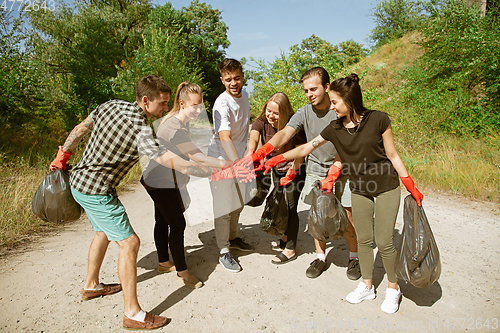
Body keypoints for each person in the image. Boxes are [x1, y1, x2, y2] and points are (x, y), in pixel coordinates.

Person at [48, 75, 205, 330]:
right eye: (163, 103)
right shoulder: (141, 128)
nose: (166, 107)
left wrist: (63, 156)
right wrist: (203, 169)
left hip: (78, 182)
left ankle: (91, 285)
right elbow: (165, 158)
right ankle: (133, 313)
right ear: (146, 100)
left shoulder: (110, 105)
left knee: (102, 233)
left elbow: (80, 129)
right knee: (130, 243)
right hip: (96, 191)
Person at [264, 73, 424, 314]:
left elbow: (392, 154)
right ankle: (367, 285)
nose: (333, 106)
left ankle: (393, 288)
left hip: (385, 186)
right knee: (366, 240)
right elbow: (308, 146)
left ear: (348, 101)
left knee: (384, 242)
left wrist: (408, 180)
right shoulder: (335, 127)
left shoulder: (379, 119)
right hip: (359, 188)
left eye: (336, 102)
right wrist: (276, 156)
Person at [237, 67, 361, 280]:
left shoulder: (339, 110)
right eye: (305, 90)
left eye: (313, 89)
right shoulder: (304, 112)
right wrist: (266, 150)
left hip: (343, 169)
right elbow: (285, 132)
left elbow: (348, 145)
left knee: (347, 218)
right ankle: (321, 258)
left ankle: (354, 257)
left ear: (327, 87)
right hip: (315, 169)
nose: (309, 94)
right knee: (317, 216)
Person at [140, 82, 243, 288]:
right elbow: (198, 158)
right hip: (161, 181)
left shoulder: (179, 121)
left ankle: (163, 262)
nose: (198, 110)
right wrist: (227, 165)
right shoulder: (174, 126)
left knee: (162, 220)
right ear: (182, 103)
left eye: (200, 105)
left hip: (160, 178)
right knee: (177, 224)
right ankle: (183, 272)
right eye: (194, 106)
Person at [207, 58, 255, 272]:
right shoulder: (221, 104)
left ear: (242, 76)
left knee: (239, 203)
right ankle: (224, 251)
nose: (233, 83)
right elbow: (225, 136)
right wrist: (237, 165)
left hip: (239, 158)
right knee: (224, 208)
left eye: (236, 78)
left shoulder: (244, 95)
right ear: (222, 80)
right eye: (228, 79)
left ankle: (233, 238)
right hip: (221, 161)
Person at [248, 92, 307, 264]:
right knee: (280, 203)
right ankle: (285, 236)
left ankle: (290, 248)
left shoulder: (294, 126)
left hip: (295, 169)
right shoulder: (262, 122)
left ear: (285, 113)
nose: (270, 116)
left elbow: (301, 153)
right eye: (269, 111)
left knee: (290, 206)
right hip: (276, 169)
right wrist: (251, 154)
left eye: (276, 113)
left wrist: (293, 172)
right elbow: (253, 137)